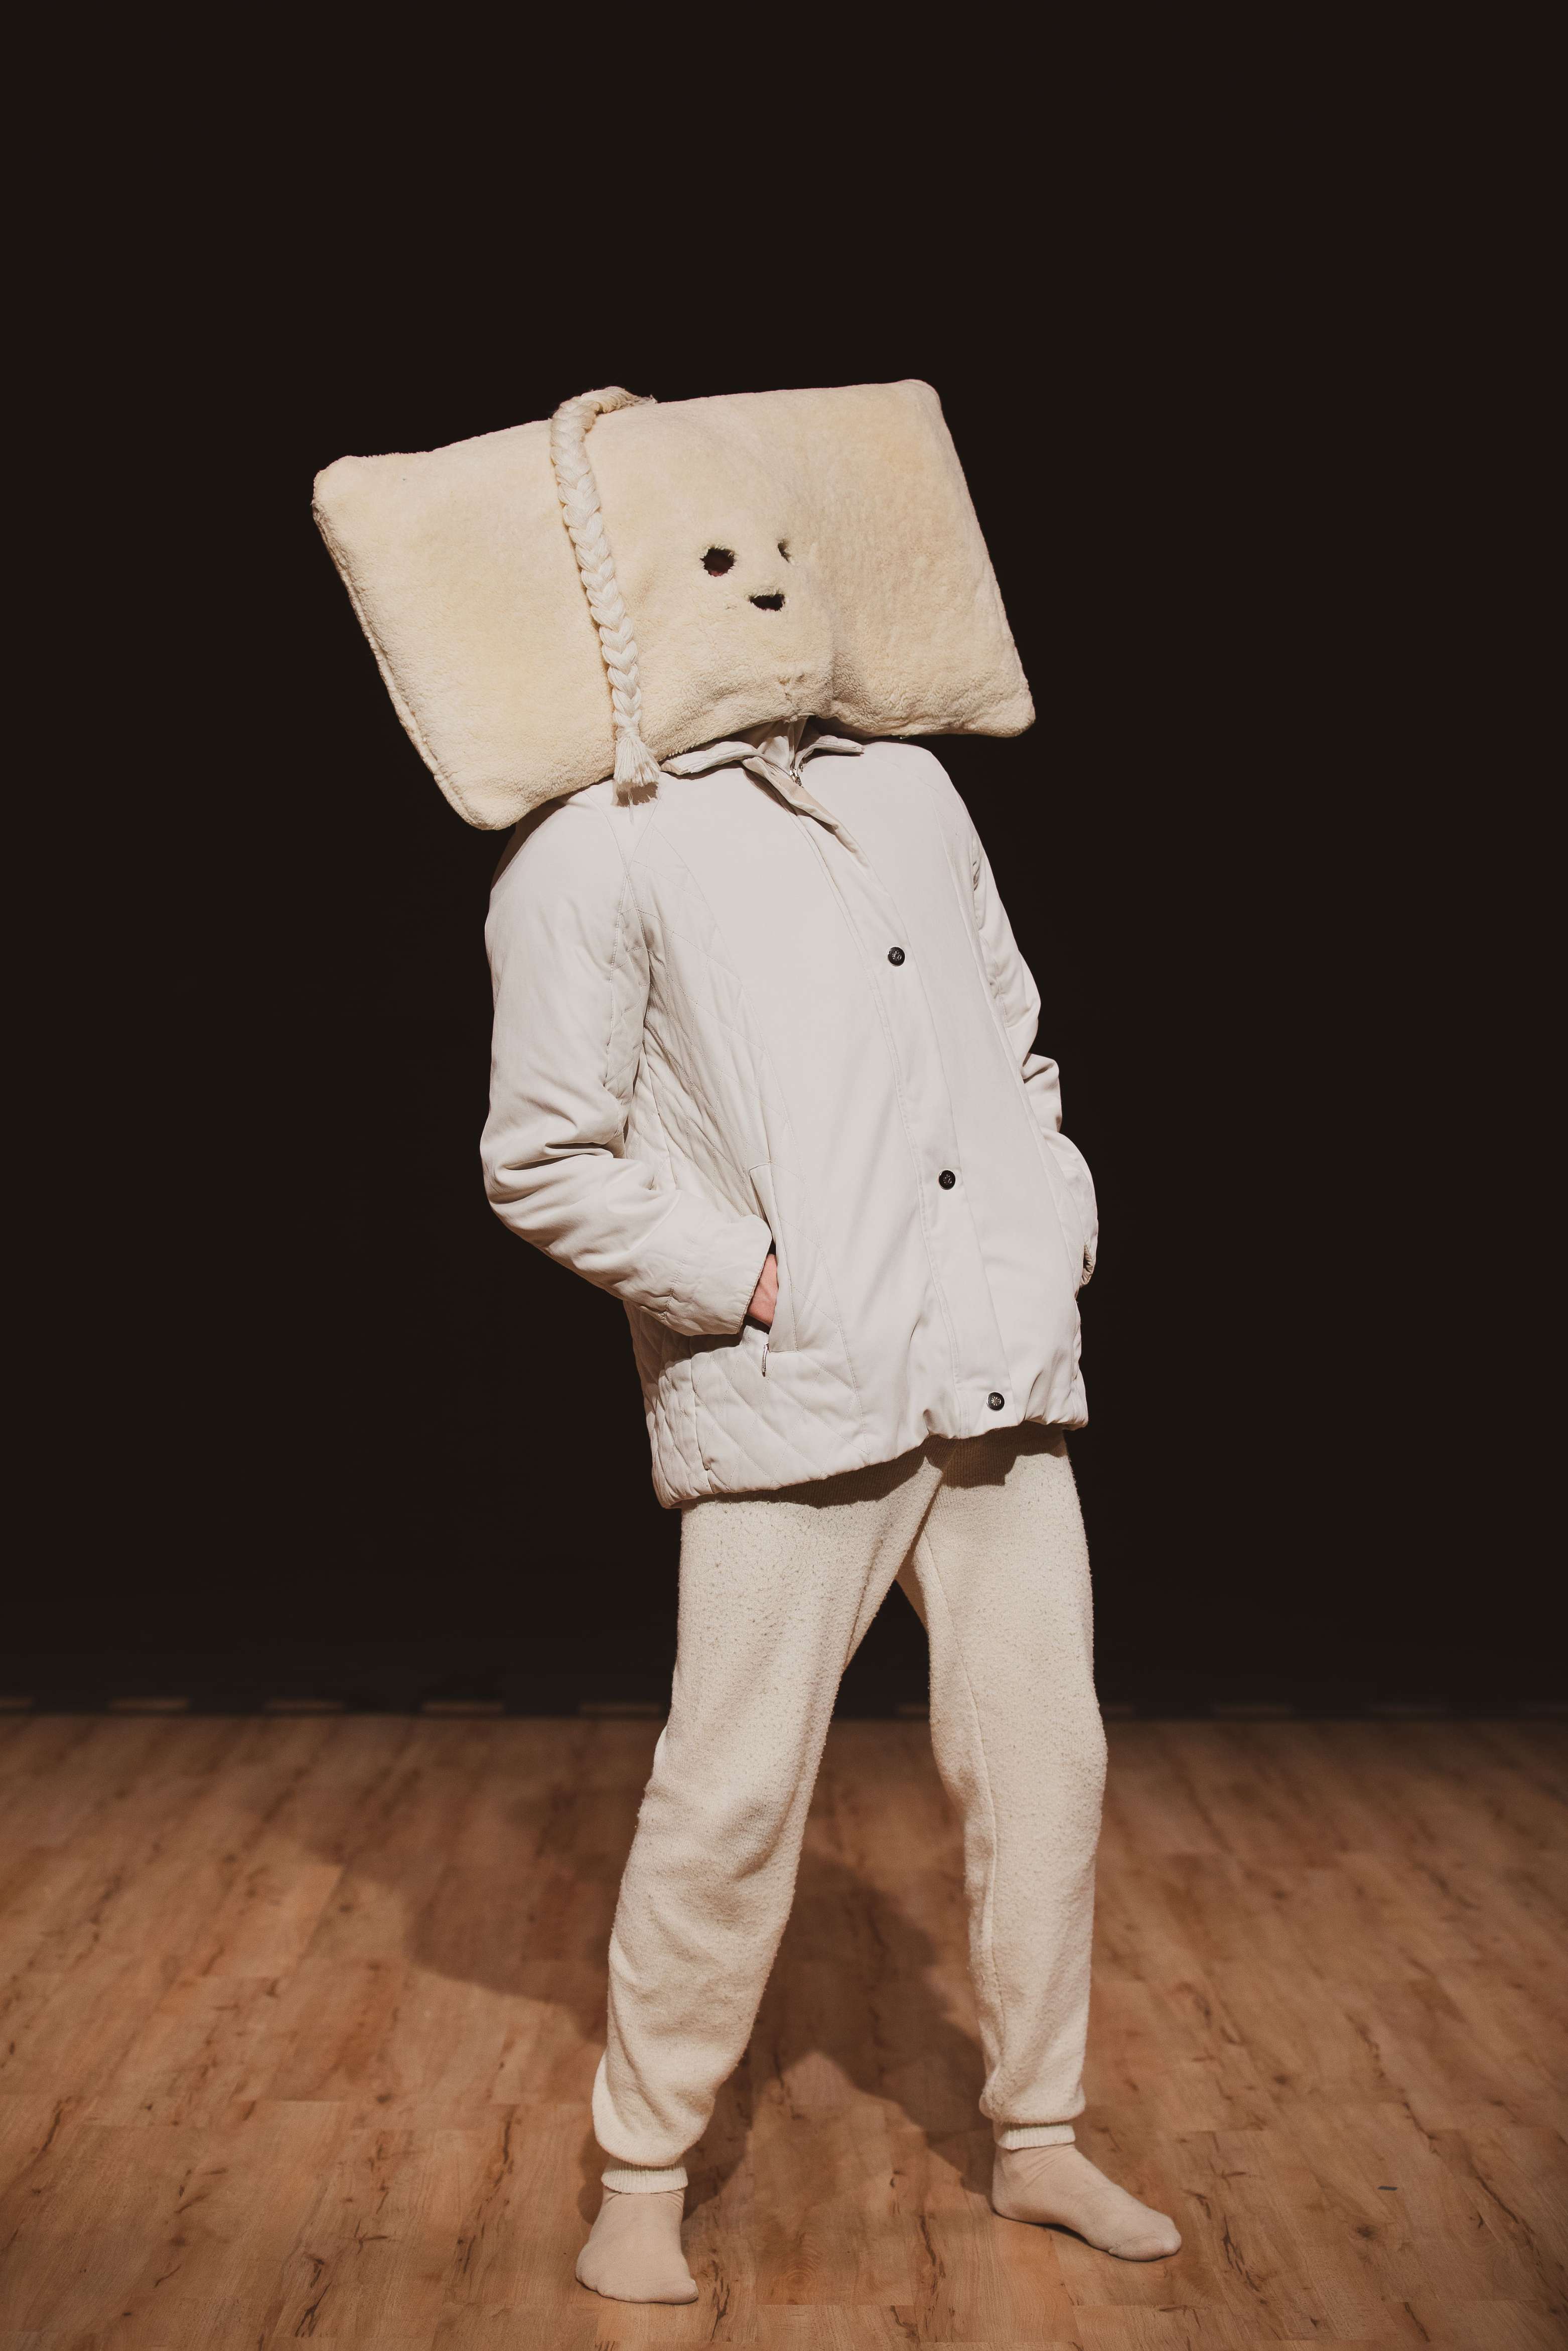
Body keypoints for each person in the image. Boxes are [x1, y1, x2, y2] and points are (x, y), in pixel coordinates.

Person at [482, 708, 1183, 2303]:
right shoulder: (596, 841)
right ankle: (640, 2177)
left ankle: (1042, 2136)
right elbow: (541, 1155)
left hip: (993, 1362)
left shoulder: (911, 787)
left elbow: (1011, 1039)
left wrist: (1049, 1223)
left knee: (1047, 1763)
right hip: (797, 1390)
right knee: (729, 1792)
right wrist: (751, 1283)